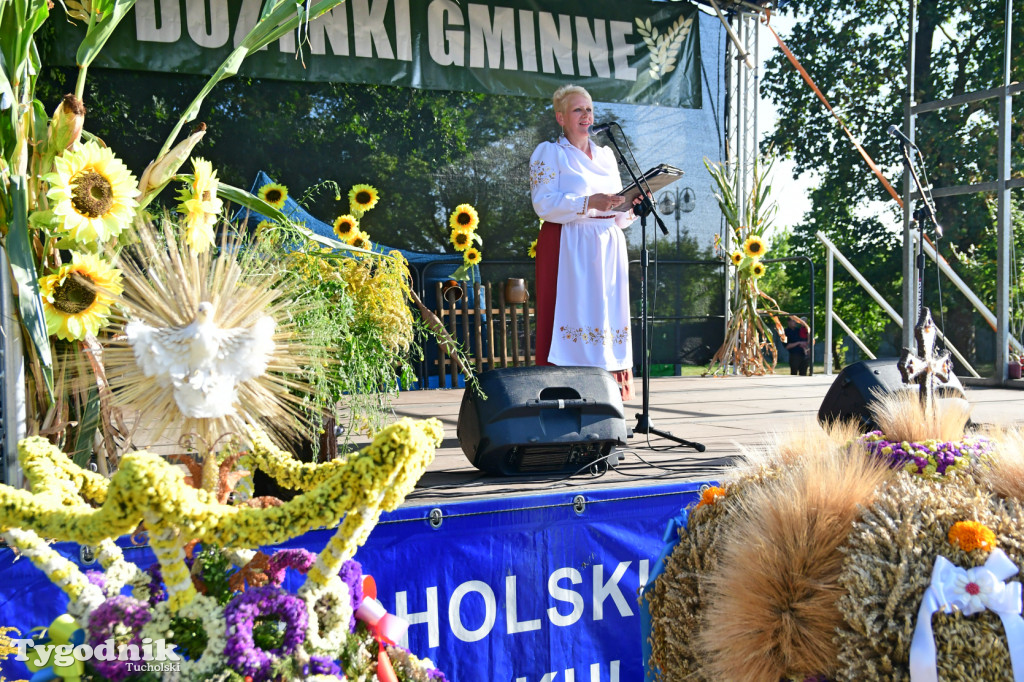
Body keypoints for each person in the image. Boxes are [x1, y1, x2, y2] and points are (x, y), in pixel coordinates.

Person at [529, 84, 643, 402]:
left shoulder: (607, 156)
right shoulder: (550, 153)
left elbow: (615, 214)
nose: (586, 115)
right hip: (570, 246)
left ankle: (606, 398)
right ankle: (567, 396)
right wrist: (589, 201)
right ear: (561, 117)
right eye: (578, 109)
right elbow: (543, 203)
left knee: (606, 317)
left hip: (607, 247)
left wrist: (631, 207)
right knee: (573, 316)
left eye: (589, 109)